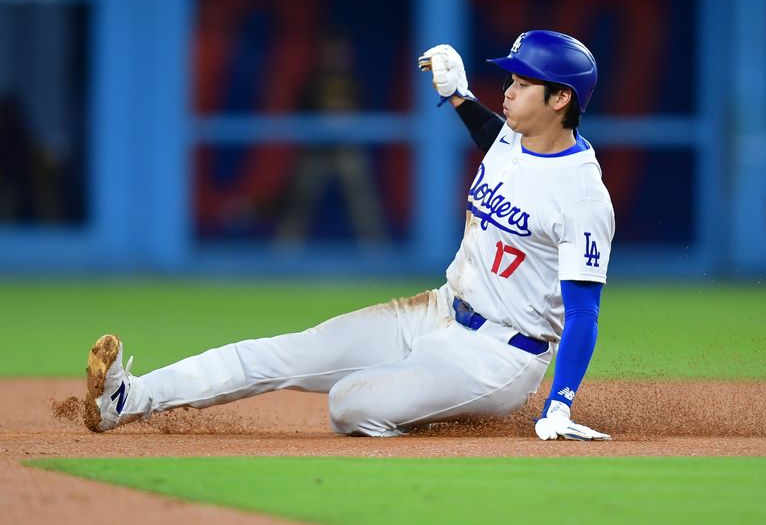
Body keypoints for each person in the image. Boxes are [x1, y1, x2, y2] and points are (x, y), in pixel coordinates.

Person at [85, 30, 615, 441]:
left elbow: (584, 313)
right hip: (439, 310)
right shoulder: (513, 140)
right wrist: (458, 97)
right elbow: (493, 139)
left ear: (560, 98)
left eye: (523, 84)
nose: (510, 91)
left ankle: (426, 421)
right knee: (284, 353)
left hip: (498, 358)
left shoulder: (582, 197)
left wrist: (559, 404)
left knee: (347, 404)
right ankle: (128, 400)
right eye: (511, 81)